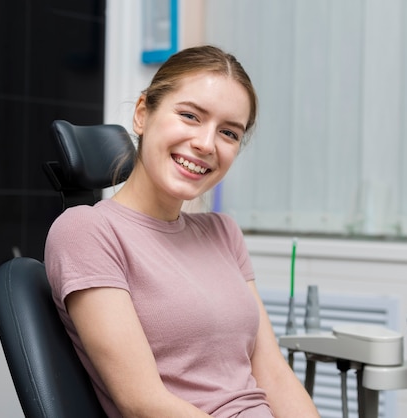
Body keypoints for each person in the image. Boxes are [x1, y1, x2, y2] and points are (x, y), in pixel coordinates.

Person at [44, 45, 320, 418]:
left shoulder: (223, 232)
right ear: (143, 114)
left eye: (229, 132)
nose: (206, 144)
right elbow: (142, 403)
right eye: (190, 116)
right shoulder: (87, 231)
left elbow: (274, 374)